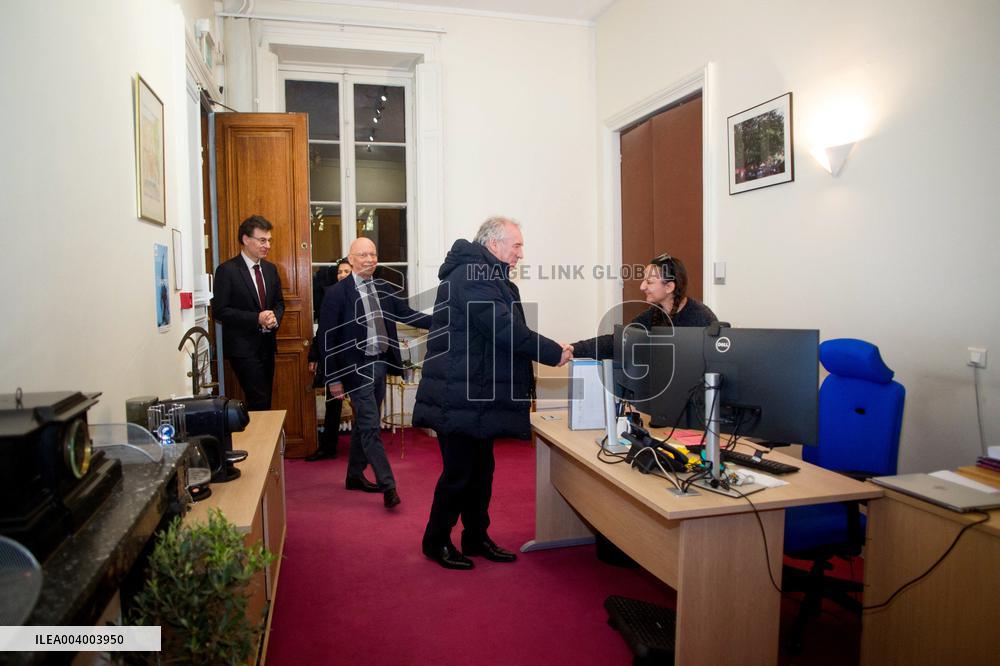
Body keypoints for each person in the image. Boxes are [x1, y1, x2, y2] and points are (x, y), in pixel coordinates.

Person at [413, 216, 573, 570]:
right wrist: (552, 352)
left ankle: (475, 537)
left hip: (475, 393)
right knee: (459, 475)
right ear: (494, 244)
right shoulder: (475, 276)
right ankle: (435, 541)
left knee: (481, 472)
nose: (521, 253)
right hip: (459, 394)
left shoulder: (488, 275)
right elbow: (504, 329)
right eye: (516, 245)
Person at [318, 237, 433, 509]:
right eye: (363, 255)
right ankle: (388, 485)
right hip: (354, 369)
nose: (370, 259)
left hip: (380, 364)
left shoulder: (384, 288)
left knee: (363, 424)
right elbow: (326, 338)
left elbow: (408, 314)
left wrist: (445, 321)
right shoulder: (336, 293)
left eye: (373, 254)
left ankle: (354, 475)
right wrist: (333, 379)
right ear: (350, 258)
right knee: (371, 426)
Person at [571, 252, 718, 360]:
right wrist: (573, 349)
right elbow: (617, 341)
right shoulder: (651, 315)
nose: (642, 287)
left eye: (649, 282)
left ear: (669, 287)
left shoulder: (702, 317)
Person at [211, 215, 284, 411]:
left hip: (267, 346)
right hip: (243, 349)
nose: (267, 245)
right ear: (245, 239)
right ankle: (259, 432)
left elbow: (279, 303)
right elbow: (220, 310)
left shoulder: (270, 269)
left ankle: (261, 431)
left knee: (265, 399)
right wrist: (256, 318)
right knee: (259, 399)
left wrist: (274, 317)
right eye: (262, 240)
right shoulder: (227, 270)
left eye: (269, 240)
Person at [306, 257, 353, 461]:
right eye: (339, 272)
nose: (342, 275)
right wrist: (314, 354)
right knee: (332, 405)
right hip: (334, 359)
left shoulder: (363, 296)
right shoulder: (330, 296)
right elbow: (323, 331)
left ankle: (363, 448)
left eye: (346, 271)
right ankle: (328, 447)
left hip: (356, 359)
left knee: (362, 406)